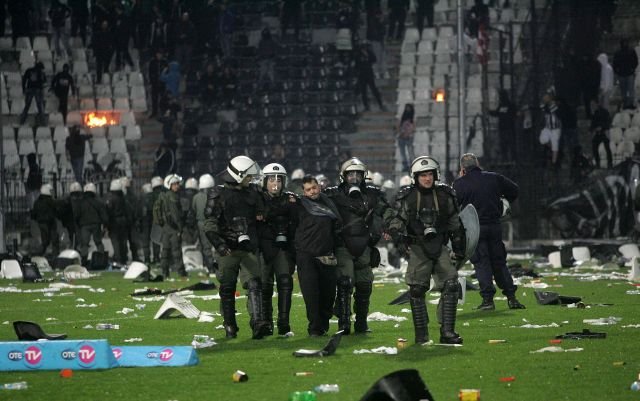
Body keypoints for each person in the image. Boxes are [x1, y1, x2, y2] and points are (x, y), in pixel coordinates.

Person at [385, 156, 466, 345]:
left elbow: (455, 224)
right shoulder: (407, 196)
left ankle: (447, 332)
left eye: (430, 174)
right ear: (415, 177)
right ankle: (421, 335)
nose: (427, 178)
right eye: (423, 175)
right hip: (417, 247)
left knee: (451, 284)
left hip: (440, 245)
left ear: (435, 175)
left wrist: (459, 247)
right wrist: (397, 236)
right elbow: (397, 221)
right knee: (417, 289)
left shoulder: (446, 195)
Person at [203, 156, 270, 339]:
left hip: (248, 246)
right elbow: (209, 224)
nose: (251, 179)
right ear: (238, 175)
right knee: (227, 287)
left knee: (254, 283)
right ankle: (230, 325)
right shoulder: (218, 194)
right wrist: (219, 244)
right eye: (248, 176)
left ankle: (258, 323)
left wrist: (262, 215)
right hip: (228, 248)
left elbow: (263, 213)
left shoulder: (254, 192)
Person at [325, 158, 391, 334]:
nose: (354, 178)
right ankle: (344, 324)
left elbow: (388, 211)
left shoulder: (373, 194)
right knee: (345, 283)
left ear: (364, 176)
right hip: (342, 245)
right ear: (343, 176)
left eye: (358, 174)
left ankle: (361, 323)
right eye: (350, 174)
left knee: (365, 284)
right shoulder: (332, 194)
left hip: (365, 245)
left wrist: (387, 226)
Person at [453, 153, 525, 311]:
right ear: (478, 164)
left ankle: (488, 300)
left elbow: (453, 207)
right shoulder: (494, 178)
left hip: (475, 229)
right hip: (494, 226)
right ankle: (512, 298)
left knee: (481, 263)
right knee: (499, 262)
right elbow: (514, 190)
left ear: (462, 169)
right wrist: (502, 203)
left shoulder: (459, 184)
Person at [293, 175, 342, 336]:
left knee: (328, 294)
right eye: (308, 190)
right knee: (311, 295)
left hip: (326, 254)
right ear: (304, 192)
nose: (312, 191)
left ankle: (323, 323)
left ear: (319, 187)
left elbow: (337, 226)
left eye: (314, 188)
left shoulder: (329, 203)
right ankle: (314, 328)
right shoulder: (298, 206)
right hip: (306, 256)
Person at [257, 163, 298, 335]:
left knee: (285, 282)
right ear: (264, 181)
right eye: (272, 180)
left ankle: (283, 322)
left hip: (283, 246)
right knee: (264, 285)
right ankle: (266, 322)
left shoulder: (291, 199)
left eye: (279, 180)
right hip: (263, 246)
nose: (275, 183)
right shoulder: (257, 198)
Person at [155, 174, 187, 277]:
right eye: (175, 184)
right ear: (169, 185)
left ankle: (164, 272)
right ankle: (181, 272)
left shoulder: (163, 196)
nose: (177, 186)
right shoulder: (173, 197)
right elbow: (175, 215)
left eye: (177, 184)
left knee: (165, 251)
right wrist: (180, 228)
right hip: (174, 228)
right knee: (176, 251)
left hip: (165, 227)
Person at [76, 182, 108, 265]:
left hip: (84, 225)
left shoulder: (81, 202)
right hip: (96, 224)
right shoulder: (98, 202)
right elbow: (103, 214)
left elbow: (77, 215)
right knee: (98, 242)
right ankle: (101, 259)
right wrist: (105, 224)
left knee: (85, 243)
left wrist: (78, 224)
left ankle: (84, 261)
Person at [191, 174, 217, 273]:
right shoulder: (215, 196)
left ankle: (210, 268)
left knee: (206, 247)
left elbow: (193, 210)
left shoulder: (196, 197)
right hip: (213, 222)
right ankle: (218, 267)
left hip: (201, 224)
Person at [105, 178, 130, 266]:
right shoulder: (124, 198)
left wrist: (106, 224)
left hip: (114, 221)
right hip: (123, 221)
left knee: (115, 241)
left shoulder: (111, 199)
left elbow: (108, 211)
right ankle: (124, 258)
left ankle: (118, 259)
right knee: (123, 240)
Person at [355, 43, 386, 112]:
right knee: (363, 92)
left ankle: (381, 105)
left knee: (374, 90)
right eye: (362, 48)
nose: (363, 49)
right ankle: (366, 106)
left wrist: (367, 56)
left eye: (364, 48)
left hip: (369, 74)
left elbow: (374, 60)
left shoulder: (369, 53)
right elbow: (357, 65)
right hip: (362, 75)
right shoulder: (358, 55)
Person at [31, 184, 60, 257]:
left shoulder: (37, 202)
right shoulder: (50, 201)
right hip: (50, 222)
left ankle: (39, 254)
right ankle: (55, 255)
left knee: (45, 241)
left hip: (41, 223)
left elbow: (34, 214)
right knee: (54, 239)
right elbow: (56, 209)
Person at [489, 90, 516, 162]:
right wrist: (489, 111)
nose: (500, 98)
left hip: (509, 128)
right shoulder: (501, 106)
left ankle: (513, 160)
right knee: (504, 145)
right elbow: (496, 113)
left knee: (511, 145)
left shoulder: (510, 105)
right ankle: (505, 160)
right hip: (503, 129)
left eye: (501, 96)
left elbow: (514, 114)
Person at [613, 39, 638, 110]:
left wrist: (632, 68)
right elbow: (615, 63)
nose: (625, 44)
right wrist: (617, 71)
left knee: (630, 90)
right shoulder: (618, 53)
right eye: (624, 43)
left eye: (626, 43)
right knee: (623, 91)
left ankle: (630, 104)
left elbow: (635, 61)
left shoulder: (631, 51)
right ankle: (625, 104)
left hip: (629, 73)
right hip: (622, 74)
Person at [539, 93, 561, 168]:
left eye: (546, 98)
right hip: (547, 128)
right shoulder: (544, 105)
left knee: (555, 145)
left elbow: (550, 110)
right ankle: (551, 150)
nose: (545, 99)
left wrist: (546, 105)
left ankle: (554, 162)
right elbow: (542, 108)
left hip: (555, 128)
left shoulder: (554, 105)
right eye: (544, 98)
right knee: (542, 140)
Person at [590, 99, 613, 169]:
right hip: (597, 133)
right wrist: (592, 129)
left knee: (607, 148)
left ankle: (610, 163)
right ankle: (597, 163)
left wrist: (601, 127)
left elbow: (608, 122)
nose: (592, 106)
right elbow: (593, 123)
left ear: (597, 104)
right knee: (594, 147)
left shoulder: (604, 112)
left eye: (593, 105)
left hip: (604, 132)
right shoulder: (594, 113)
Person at [92, 20, 114, 84]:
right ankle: (98, 80)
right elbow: (95, 43)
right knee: (99, 67)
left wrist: (109, 52)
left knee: (106, 68)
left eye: (106, 24)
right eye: (103, 24)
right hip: (99, 53)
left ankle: (106, 81)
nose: (104, 26)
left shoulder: (109, 34)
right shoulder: (97, 33)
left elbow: (111, 44)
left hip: (106, 53)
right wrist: (95, 53)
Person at [113, 6, 134, 71]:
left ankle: (130, 64)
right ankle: (119, 65)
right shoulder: (119, 17)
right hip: (120, 37)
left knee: (124, 51)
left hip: (122, 37)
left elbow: (123, 28)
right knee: (119, 51)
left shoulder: (123, 18)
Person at [397, 103, 416, 171]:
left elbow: (413, 128)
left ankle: (412, 166)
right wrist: (401, 133)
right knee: (402, 153)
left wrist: (407, 134)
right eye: (406, 108)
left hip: (409, 137)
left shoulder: (413, 118)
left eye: (408, 108)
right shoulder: (402, 117)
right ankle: (405, 166)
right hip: (401, 137)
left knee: (410, 152)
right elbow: (398, 126)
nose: (407, 110)